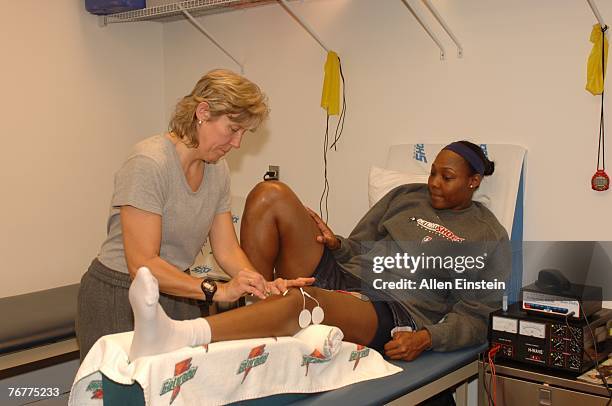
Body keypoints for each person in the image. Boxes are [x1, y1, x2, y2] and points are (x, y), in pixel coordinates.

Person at [125, 140, 511, 366]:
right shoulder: (404, 197)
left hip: (392, 308)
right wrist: (337, 243)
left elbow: (477, 315)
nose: (433, 184)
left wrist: (427, 337)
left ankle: (182, 336)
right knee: (268, 196)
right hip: (349, 274)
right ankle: (248, 315)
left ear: (474, 182)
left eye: (447, 177)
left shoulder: (488, 234)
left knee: (301, 302)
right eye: (432, 173)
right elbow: (361, 245)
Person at [76, 69, 313, 361]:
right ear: (203, 112)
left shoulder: (217, 170)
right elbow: (143, 265)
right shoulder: (149, 163)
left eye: (244, 133)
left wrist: (258, 283)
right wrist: (218, 291)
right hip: (120, 295)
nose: (237, 143)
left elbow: (226, 249)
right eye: (232, 129)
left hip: (180, 292)